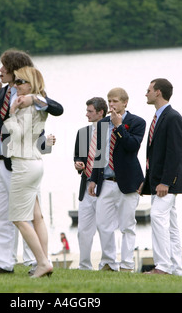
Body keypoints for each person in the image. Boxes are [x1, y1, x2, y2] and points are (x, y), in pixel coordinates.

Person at [0, 49, 63, 274]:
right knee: (0, 215)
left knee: (28, 215)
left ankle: (36, 261)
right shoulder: (2, 92)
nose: (0, 70)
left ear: (15, 70)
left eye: (4, 66)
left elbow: (56, 108)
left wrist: (34, 98)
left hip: (21, 162)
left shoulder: (35, 94)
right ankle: (4, 263)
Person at [3, 66, 55, 278]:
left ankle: (42, 262)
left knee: (18, 218)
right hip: (34, 161)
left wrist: (11, 113)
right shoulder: (38, 103)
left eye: (20, 82)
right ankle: (44, 260)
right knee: (37, 215)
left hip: (24, 163)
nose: (16, 86)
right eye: (15, 82)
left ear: (31, 83)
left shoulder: (27, 107)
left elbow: (16, 135)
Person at [88, 88, 145, 272]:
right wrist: (93, 179)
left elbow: (132, 146)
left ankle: (127, 265)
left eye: (114, 101)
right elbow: (99, 153)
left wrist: (119, 126)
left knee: (127, 226)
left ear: (125, 102)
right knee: (103, 224)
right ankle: (108, 262)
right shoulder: (103, 123)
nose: (111, 104)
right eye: (109, 101)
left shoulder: (137, 122)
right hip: (105, 181)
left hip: (128, 182)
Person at [138, 78, 182, 275]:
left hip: (167, 182)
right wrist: (147, 181)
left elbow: (175, 153)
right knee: (172, 226)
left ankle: (162, 266)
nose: (146, 93)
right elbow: (155, 155)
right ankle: (176, 269)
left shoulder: (173, 117)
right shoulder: (158, 117)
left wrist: (166, 182)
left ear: (158, 92)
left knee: (157, 216)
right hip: (157, 181)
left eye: (149, 90)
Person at [73, 97, 108, 270]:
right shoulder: (82, 132)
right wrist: (78, 164)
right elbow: (77, 156)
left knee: (105, 228)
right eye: (87, 111)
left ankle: (108, 264)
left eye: (90, 111)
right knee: (83, 230)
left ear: (101, 112)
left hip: (105, 187)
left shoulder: (109, 131)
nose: (86, 114)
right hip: (86, 186)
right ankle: (84, 265)